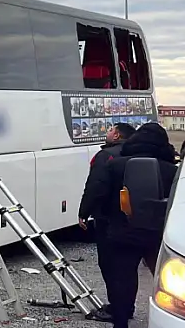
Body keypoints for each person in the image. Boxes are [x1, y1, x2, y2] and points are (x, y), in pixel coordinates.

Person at [81, 122, 178, 328]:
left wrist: (90, 213)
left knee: (122, 278)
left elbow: (100, 190)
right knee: (166, 278)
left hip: (122, 231)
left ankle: (121, 320)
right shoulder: (171, 170)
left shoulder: (115, 164)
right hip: (157, 234)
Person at [77, 122, 137, 323]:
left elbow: (96, 186)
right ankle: (127, 306)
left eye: (111, 129)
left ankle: (116, 308)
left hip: (108, 219)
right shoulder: (138, 155)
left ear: (117, 135)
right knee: (128, 268)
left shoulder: (106, 156)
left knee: (110, 266)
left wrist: (84, 212)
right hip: (134, 219)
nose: (108, 132)